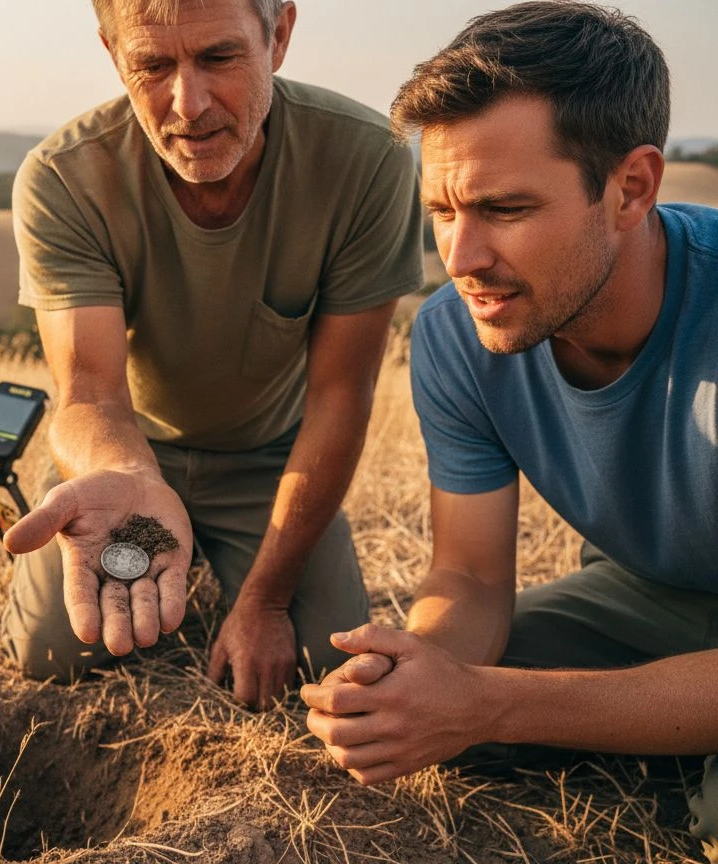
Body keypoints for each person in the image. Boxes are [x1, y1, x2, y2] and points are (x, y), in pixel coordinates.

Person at [298, 1, 718, 857]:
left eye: (504, 208)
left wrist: (497, 702)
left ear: (632, 187)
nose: (460, 261)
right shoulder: (459, 333)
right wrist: (421, 673)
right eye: (444, 211)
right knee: (443, 707)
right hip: (656, 596)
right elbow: (471, 576)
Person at [0, 0, 424, 708]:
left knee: (323, 661)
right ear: (112, 53)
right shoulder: (63, 177)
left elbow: (339, 398)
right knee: (52, 655)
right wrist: (131, 481)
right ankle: (167, 539)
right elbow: (89, 394)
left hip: (272, 460)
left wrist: (266, 600)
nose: (187, 105)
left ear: (279, 34)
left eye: (219, 58)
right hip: (130, 457)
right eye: (153, 66)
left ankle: (228, 568)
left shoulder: (366, 161)